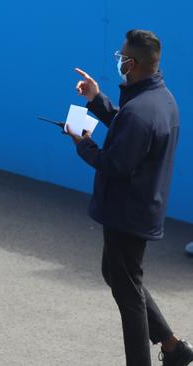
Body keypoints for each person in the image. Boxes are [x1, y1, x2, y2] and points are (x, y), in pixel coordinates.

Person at [69, 30, 193, 366]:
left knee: (128, 293)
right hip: (140, 207)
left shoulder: (141, 110)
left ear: (133, 63)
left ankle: (157, 355)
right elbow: (127, 128)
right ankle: (172, 346)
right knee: (118, 274)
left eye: (122, 56)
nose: (119, 60)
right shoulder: (159, 99)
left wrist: (84, 144)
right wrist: (97, 100)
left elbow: (116, 163)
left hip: (127, 212)